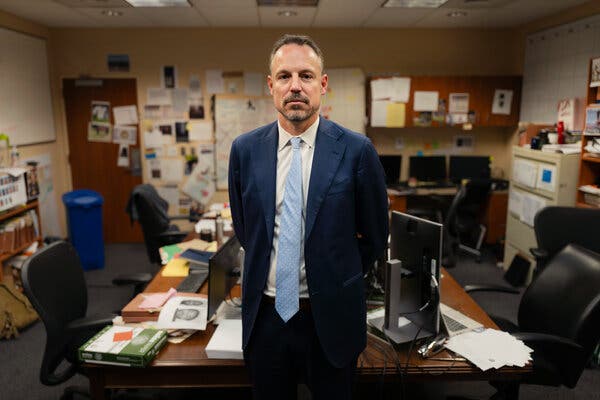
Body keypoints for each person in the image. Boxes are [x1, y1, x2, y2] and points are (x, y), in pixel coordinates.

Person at [228, 34, 389, 399]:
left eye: (306, 75)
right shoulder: (245, 151)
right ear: (271, 86)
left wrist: (336, 274)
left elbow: (376, 236)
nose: (295, 86)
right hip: (266, 317)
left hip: (330, 318)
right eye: (284, 76)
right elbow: (246, 229)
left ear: (323, 84)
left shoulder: (357, 151)